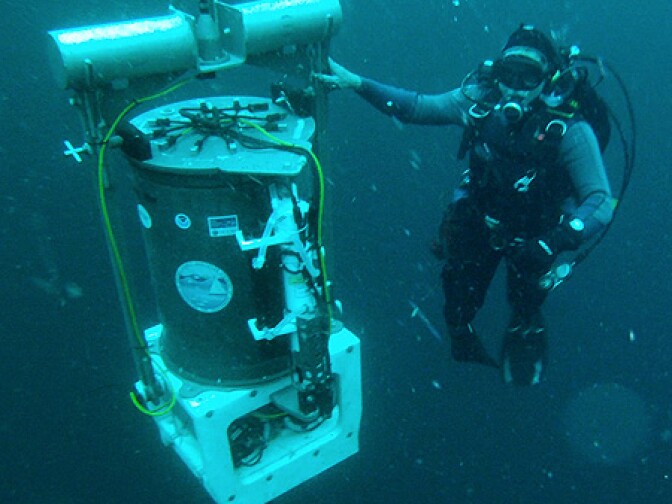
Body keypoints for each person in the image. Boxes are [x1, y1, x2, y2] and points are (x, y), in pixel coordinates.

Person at [317, 24, 614, 386]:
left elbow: (599, 201)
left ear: (548, 80)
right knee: (457, 292)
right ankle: (463, 335)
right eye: (508, 74)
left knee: (526, 294)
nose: (514, 88)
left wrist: (558, 239)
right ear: (496, 72)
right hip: (480, 215)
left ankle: (525, 327)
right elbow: (417, 107)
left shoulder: (569, 129)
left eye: (528, 76)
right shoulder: (479, 101)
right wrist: (356, 83)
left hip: (539, 231)